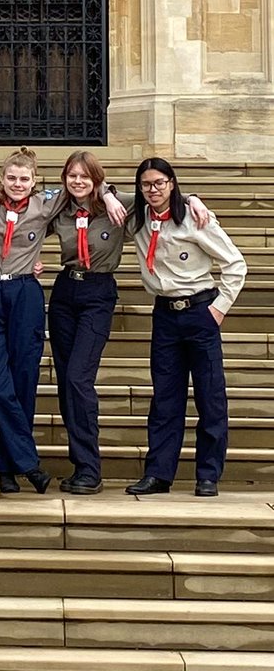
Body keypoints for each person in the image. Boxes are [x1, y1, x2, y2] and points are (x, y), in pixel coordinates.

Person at [0, 147, 126, 495]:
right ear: (1, 179)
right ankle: (27, 462)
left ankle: (8, 468)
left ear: (36, 181)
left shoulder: (47, 204)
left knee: (23, 379)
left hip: (26, 293)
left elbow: (89, 187)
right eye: (11, 178)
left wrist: (109, 192)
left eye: (24, 179)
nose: (17, 184)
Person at [47, 152, 209, 495]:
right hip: (64, 293)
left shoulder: (119, 203)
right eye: (71, 176)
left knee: (79, 377)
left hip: (98, 291)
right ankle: (81, 465)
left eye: (85, 177)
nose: (78, 182)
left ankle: (91, 469)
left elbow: (159, 194)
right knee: (65, 382)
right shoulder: (58, 207)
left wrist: (192, 199)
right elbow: (20, 208)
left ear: (96, 179)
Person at [125, 157, 246, 498]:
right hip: (164, 315)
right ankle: (158, 474)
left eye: (160, 183)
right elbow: (98, 189)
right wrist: (106, 196)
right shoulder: (138, 218)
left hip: (199, 311)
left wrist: (218, 309)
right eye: (147, 184)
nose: (153, 190)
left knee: (210, 396)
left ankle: (208, 474)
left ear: (172, 184)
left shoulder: (195, 218)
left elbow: (235, 264)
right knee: (165, 399)